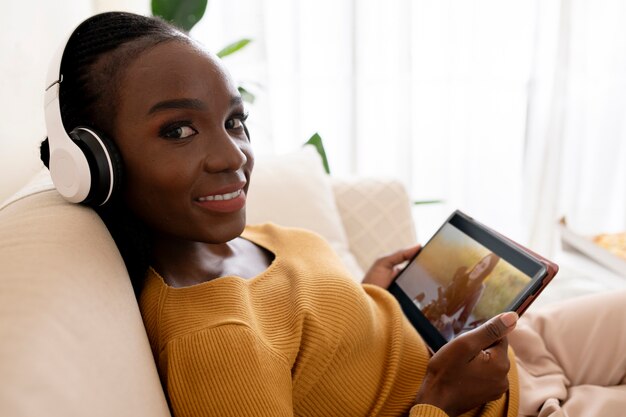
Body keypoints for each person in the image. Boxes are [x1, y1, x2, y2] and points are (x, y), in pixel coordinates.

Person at [38, 11, 626, 417]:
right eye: (180, 129)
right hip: (501, 401)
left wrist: (369, 296)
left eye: (235, 121)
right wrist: (440, 401)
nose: (232, 156)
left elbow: (313, 331)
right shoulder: (219, 341)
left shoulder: (243, 237)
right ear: (97, 163)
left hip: (492, 345)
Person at [421, 253, 500, 338]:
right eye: (480, 263)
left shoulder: (478, 290)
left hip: (442, 321)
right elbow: (447, 292)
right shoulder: (462, 270)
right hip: (434, 308)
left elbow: (461, 323)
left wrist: (450, 321)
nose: (477, 267)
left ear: (485, 273)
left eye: (483, 267)